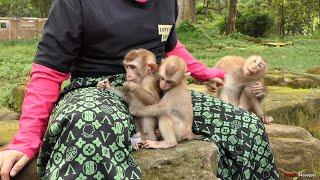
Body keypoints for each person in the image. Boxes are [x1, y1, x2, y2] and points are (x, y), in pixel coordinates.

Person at [0, 0, 279, 179]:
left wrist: (208, 72)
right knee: (88, 128)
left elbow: (170, 46)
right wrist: (26, 139)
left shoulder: (167, 2)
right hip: (97, 88)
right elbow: (47, 72)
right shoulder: (75, 3)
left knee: (245, 126)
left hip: (158, 87)